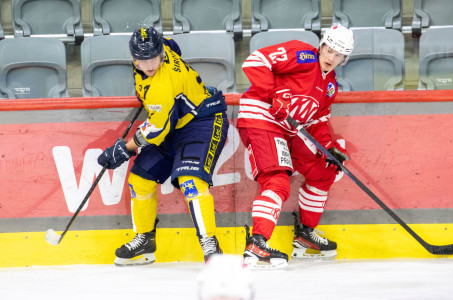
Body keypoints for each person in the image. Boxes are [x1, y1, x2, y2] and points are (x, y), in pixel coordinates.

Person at [97, 27, 229, 266]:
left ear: (160, 53)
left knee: (191, 182)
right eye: (142, 59)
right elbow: (174, 45)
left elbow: (157, 130)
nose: (149, 64)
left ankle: (210, 244)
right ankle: (145, 240)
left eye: (153, 58)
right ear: (133, 57)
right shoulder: (163, 48)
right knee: (140, 179)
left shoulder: (162, 86)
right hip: (176, 121)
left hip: (202, 122)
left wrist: (125, 149)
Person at [237, 24, 354, 268]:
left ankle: (305, 236)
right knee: (277, 180)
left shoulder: (330, 84)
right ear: (322, 45)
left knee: (324, 172)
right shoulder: (302, 55)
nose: (332, 58)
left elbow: (318, 120)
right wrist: (273, 95)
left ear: (345, 58)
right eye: (329, 50)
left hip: (291, 129)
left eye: (339, 55)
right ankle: (257, 244)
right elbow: (254, 61)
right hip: (263, 119)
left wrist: (327, 148)